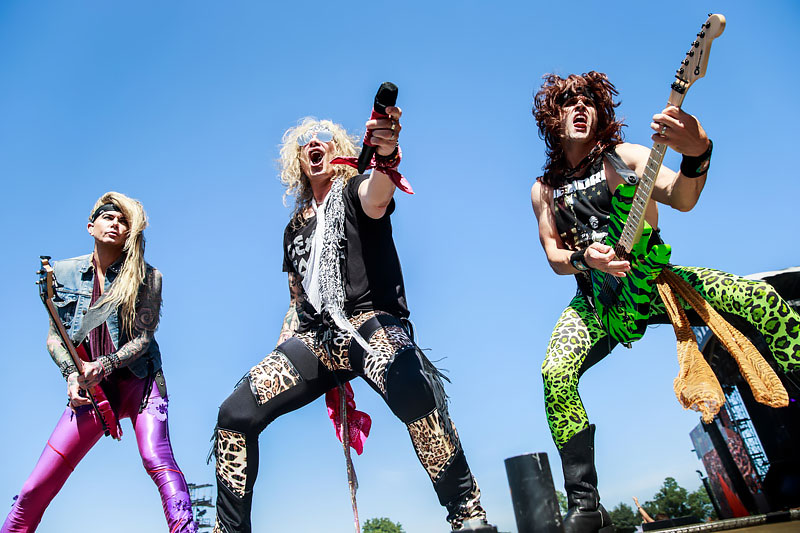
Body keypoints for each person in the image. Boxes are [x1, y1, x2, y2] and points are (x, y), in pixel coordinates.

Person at [529, 71, 800, 533]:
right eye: (569, 102)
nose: (579, 107)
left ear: (601, 114)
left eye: (589, 102)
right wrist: (584, 259)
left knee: (760, 299)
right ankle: (587, 504)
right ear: (552, 117)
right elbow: (554, 256)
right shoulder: (544, 189)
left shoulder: (627, 157)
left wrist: (699, 151)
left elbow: (681, 196)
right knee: (555, 372)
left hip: (658, 285)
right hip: (595, 302)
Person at [213, 109, 494, 532]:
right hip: (316, 339)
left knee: (410, 384)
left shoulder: (355, 188)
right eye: (305, 140)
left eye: (323, 137)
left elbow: (378, 195)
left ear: (338, 150)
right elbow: (296, 301)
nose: (314, 142)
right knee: (233, 415)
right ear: (297, 160)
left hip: (368, 321)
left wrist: (386, 156)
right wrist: (280, 354)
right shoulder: (294, 229)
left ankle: (467, 511)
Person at [2, 192, 197, 533]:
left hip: (142, 381)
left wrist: (103, 365)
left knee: (157, 458)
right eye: (109, 217)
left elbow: (143, 340)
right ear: (91, 226)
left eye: (123, 221)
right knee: (38, 484)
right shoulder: (62, 273)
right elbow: (55, 337)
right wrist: (70, 375)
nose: (116, 224)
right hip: (92, 388)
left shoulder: (148, 277)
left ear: (129, 233)